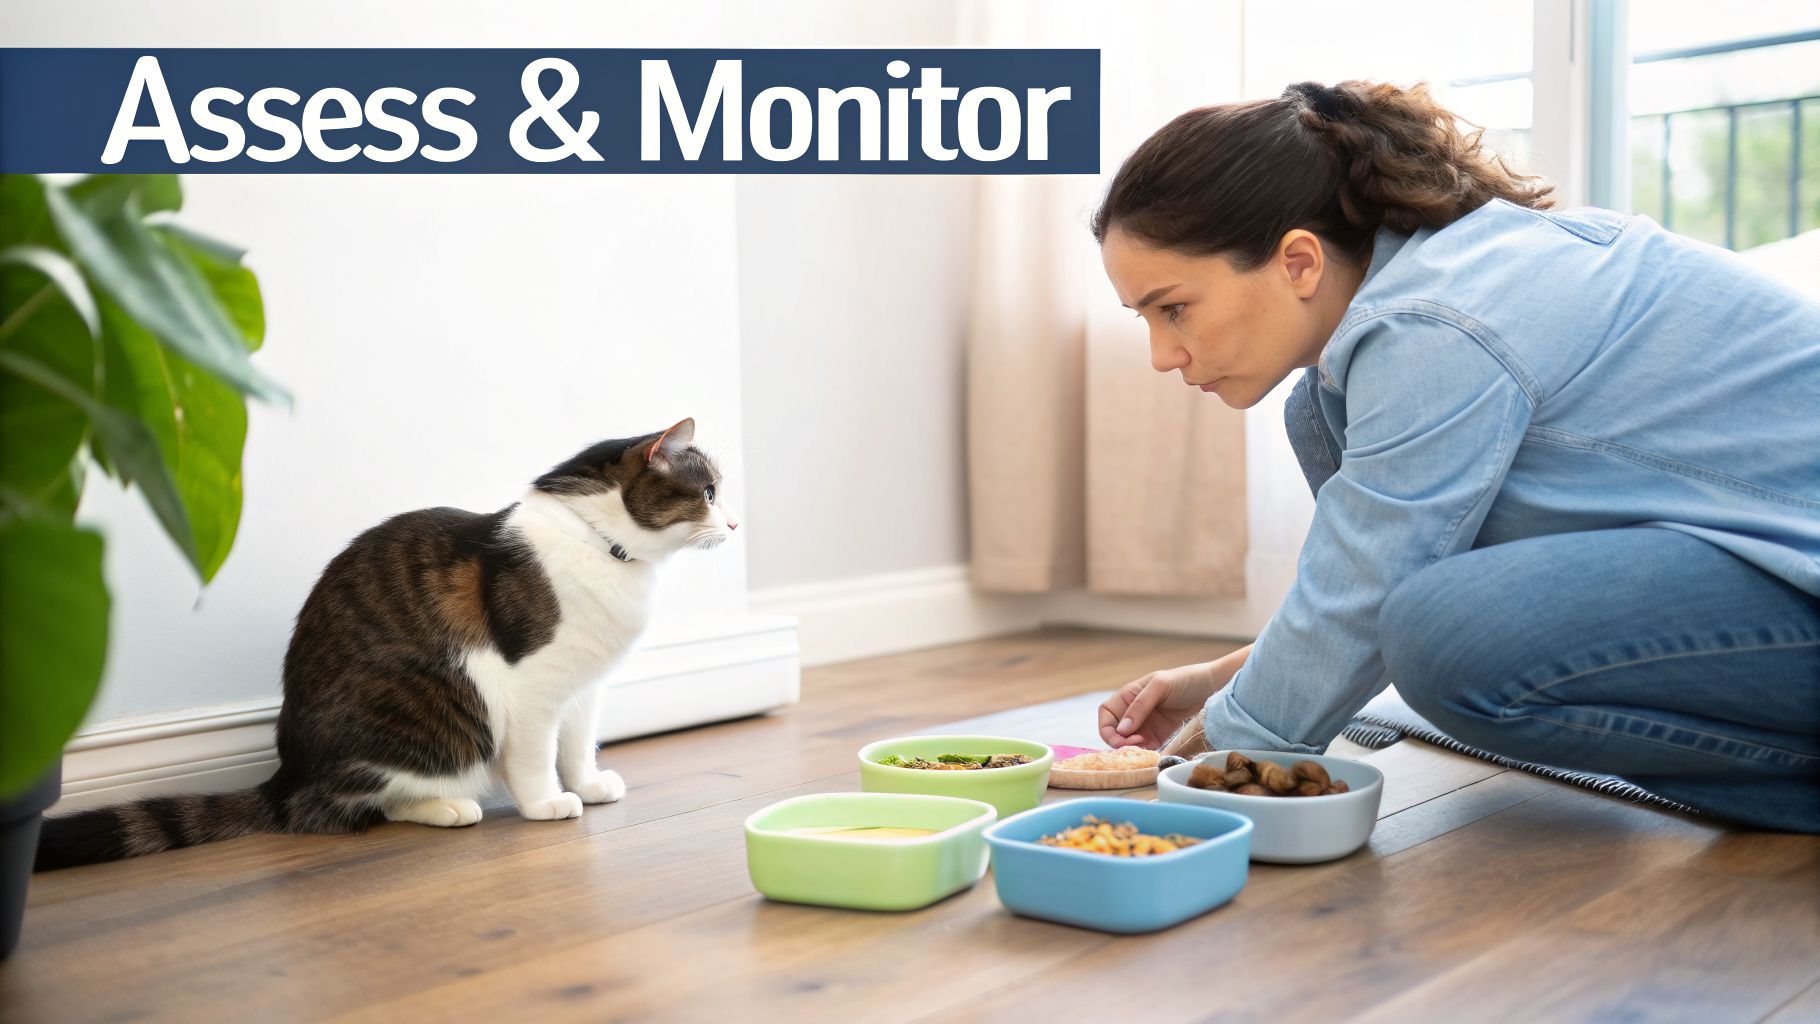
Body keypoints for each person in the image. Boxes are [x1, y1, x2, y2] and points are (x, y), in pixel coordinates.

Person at [1092, 80, 1820, 833]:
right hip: (1762, 565)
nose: (1161, 354)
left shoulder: (1433, 326)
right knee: (1321, 421)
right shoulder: (1423, 306)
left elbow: (1374, 588)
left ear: (1299, 262)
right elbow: (1379, 569)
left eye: (1173, 308)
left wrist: (1202, 769)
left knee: (1445, 640)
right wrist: (1225, 684)